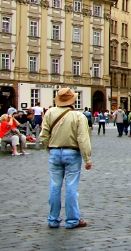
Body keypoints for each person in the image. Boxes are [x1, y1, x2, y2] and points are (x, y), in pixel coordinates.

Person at [40, 88, 92, 229]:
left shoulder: (49, 113)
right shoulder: (78, 116)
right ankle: (72, 220)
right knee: (71, 187)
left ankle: (53, 219)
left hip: (55, 153)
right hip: (72, 153)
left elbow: (43, 135)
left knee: (55, 186)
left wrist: (50, 149)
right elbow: (83, 139)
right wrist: (87, 158)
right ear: (72, 100)